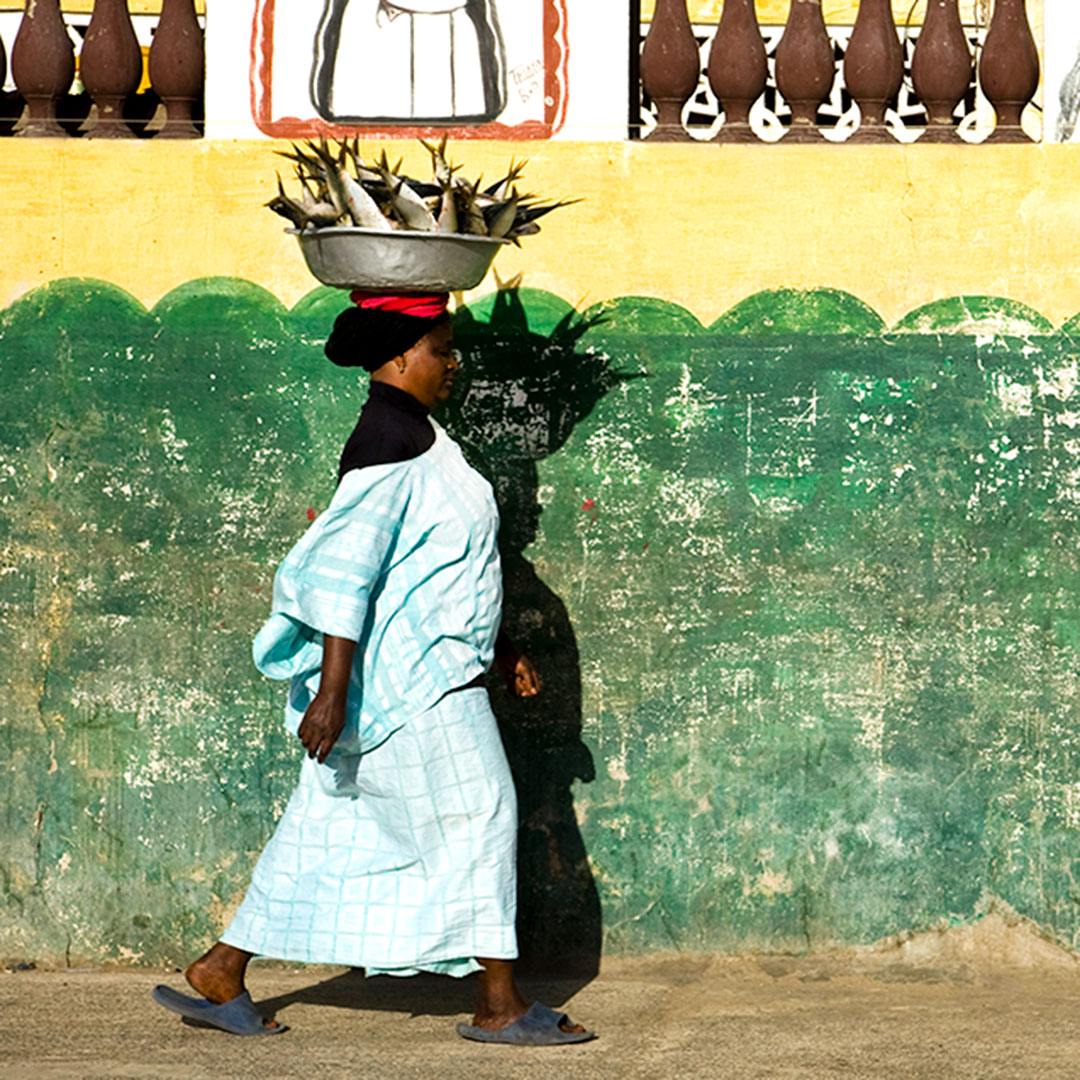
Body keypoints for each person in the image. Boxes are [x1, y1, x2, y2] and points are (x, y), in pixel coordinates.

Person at [152, 292, 593, 1045]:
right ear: (397, 358)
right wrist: (329, 694)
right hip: (415, 688)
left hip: (424, 674)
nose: (453, 365)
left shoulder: (417, 434)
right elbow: (344, 574)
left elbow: (433, 564)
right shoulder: (388, 440)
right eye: (441, 351)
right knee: (482, 816)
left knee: (328, 825)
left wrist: (500, 646)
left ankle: (221, 971)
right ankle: (499, 1004)